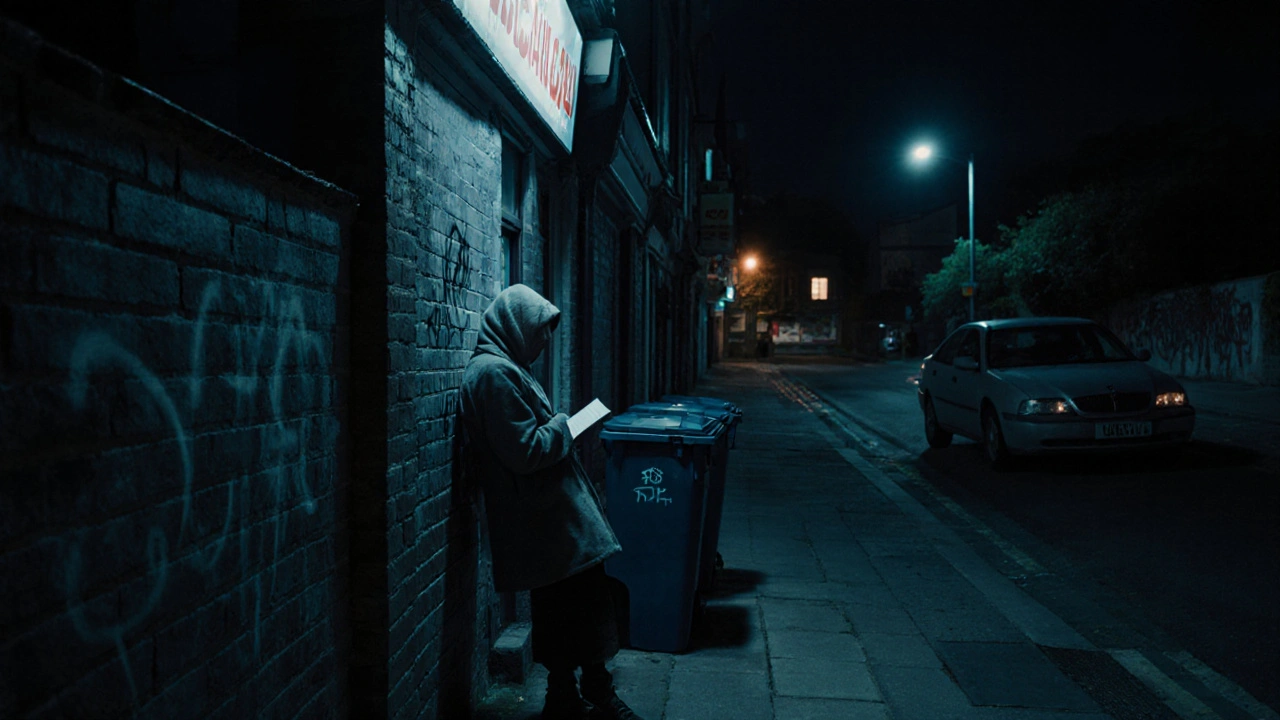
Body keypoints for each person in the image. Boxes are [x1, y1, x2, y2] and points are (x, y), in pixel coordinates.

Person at [460, 284, 644, 720]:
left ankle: (565, 697)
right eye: (539, 331)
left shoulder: (506, 367)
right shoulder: (495, 374)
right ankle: (594, 693)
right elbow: (525, 451)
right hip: (547, 520)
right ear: (515, 326)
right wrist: (564, 424)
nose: (544, 341)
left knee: (565, 608)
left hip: (549, 518)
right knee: (583, 604)